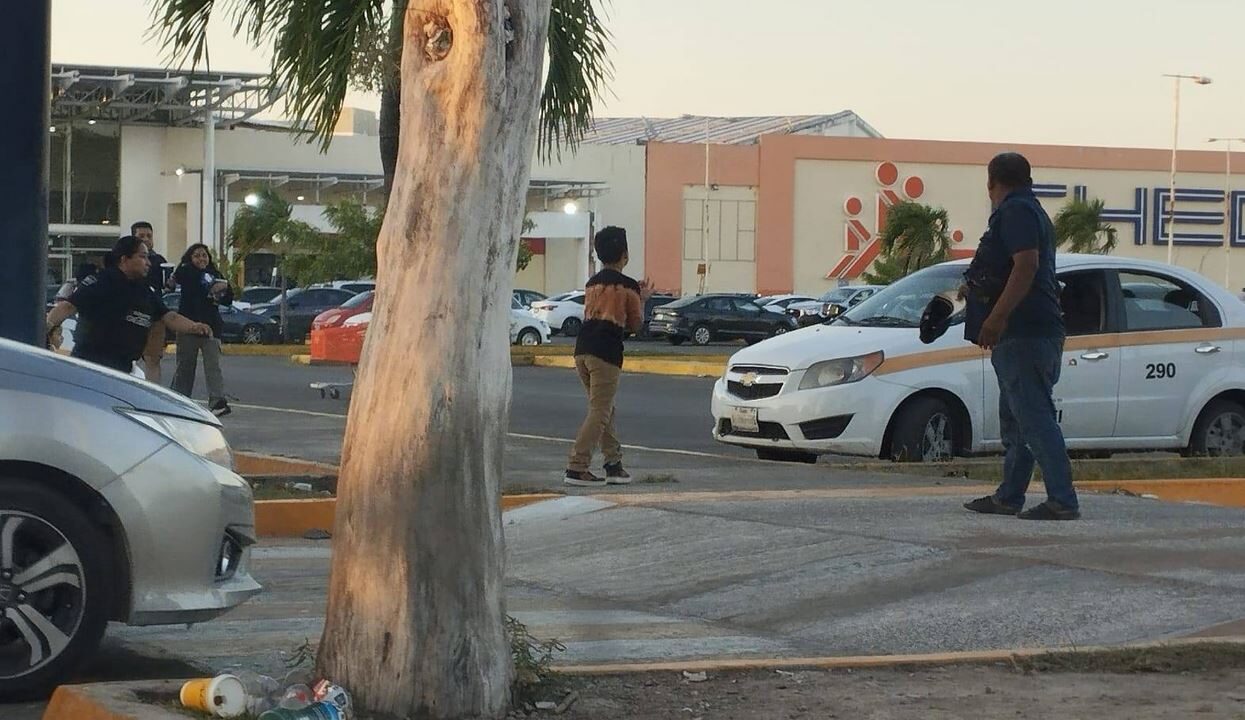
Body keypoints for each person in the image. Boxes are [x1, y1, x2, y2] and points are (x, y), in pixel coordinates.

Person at [963, 152, 1079, 521]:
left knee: (1034, 418)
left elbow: (1026, 265)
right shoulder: (1033, 211)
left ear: (991, 183)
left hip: (1026, 331)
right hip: (1030, 331)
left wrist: (996, 318)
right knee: (1016, 421)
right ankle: (1009, 496)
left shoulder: (1015, 212)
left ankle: (1062, 499)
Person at [45, 235, 212, 375]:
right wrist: (46, 328)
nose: (148, 263)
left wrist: (194, 327)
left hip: (123, 367)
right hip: (91, 365)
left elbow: (169, 316)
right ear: (124, 259)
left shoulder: (144, 290)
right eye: (142, 257)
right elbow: (68, 306)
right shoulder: (102, 281)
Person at [565, 226, 654, 486]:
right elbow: (635, 324)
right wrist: (642, 299)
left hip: (582, 349)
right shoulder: (627, 286)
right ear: (625, 255)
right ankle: (577, 466)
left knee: (604, 409)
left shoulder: (592, 283)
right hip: (606, 352)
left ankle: (613, 463)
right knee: (600, 411)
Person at [170, 243, 234, 417]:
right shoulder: (185, 272)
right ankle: (179, 400)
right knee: (185, 366)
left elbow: (228, 299)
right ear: (190, 258)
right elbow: (181, 280)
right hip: (188, 325)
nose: (201, 259)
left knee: (213, 366)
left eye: (204, 255)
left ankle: (218, 401)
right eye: (197, 255)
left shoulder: (215, 274)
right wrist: (206, 281)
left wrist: (222, 290)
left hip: (212, 326)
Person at [132, 221, 172, 383]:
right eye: (141, 236)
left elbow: (166, 286)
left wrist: (170, 283)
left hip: (155, 315)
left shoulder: (159, 261)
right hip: (131, 313)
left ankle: (152, 390)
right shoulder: (126, 260)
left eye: (149, 236)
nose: (146, 239)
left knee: (153, 359)